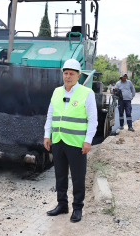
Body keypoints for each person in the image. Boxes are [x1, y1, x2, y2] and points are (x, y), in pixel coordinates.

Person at [43, 59, 97, 223]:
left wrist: (88, 141)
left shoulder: (87, 93)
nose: (68, 76)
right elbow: (50, 115)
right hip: (58, 140)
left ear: (78, 76)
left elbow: (93, 120)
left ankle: (78, 208)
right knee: (60, 175)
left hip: (76, 143)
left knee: (78, 177)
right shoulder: (57, 91)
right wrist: (47, 135)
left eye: (71, 74)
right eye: (65, 73)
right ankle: (62, 205)